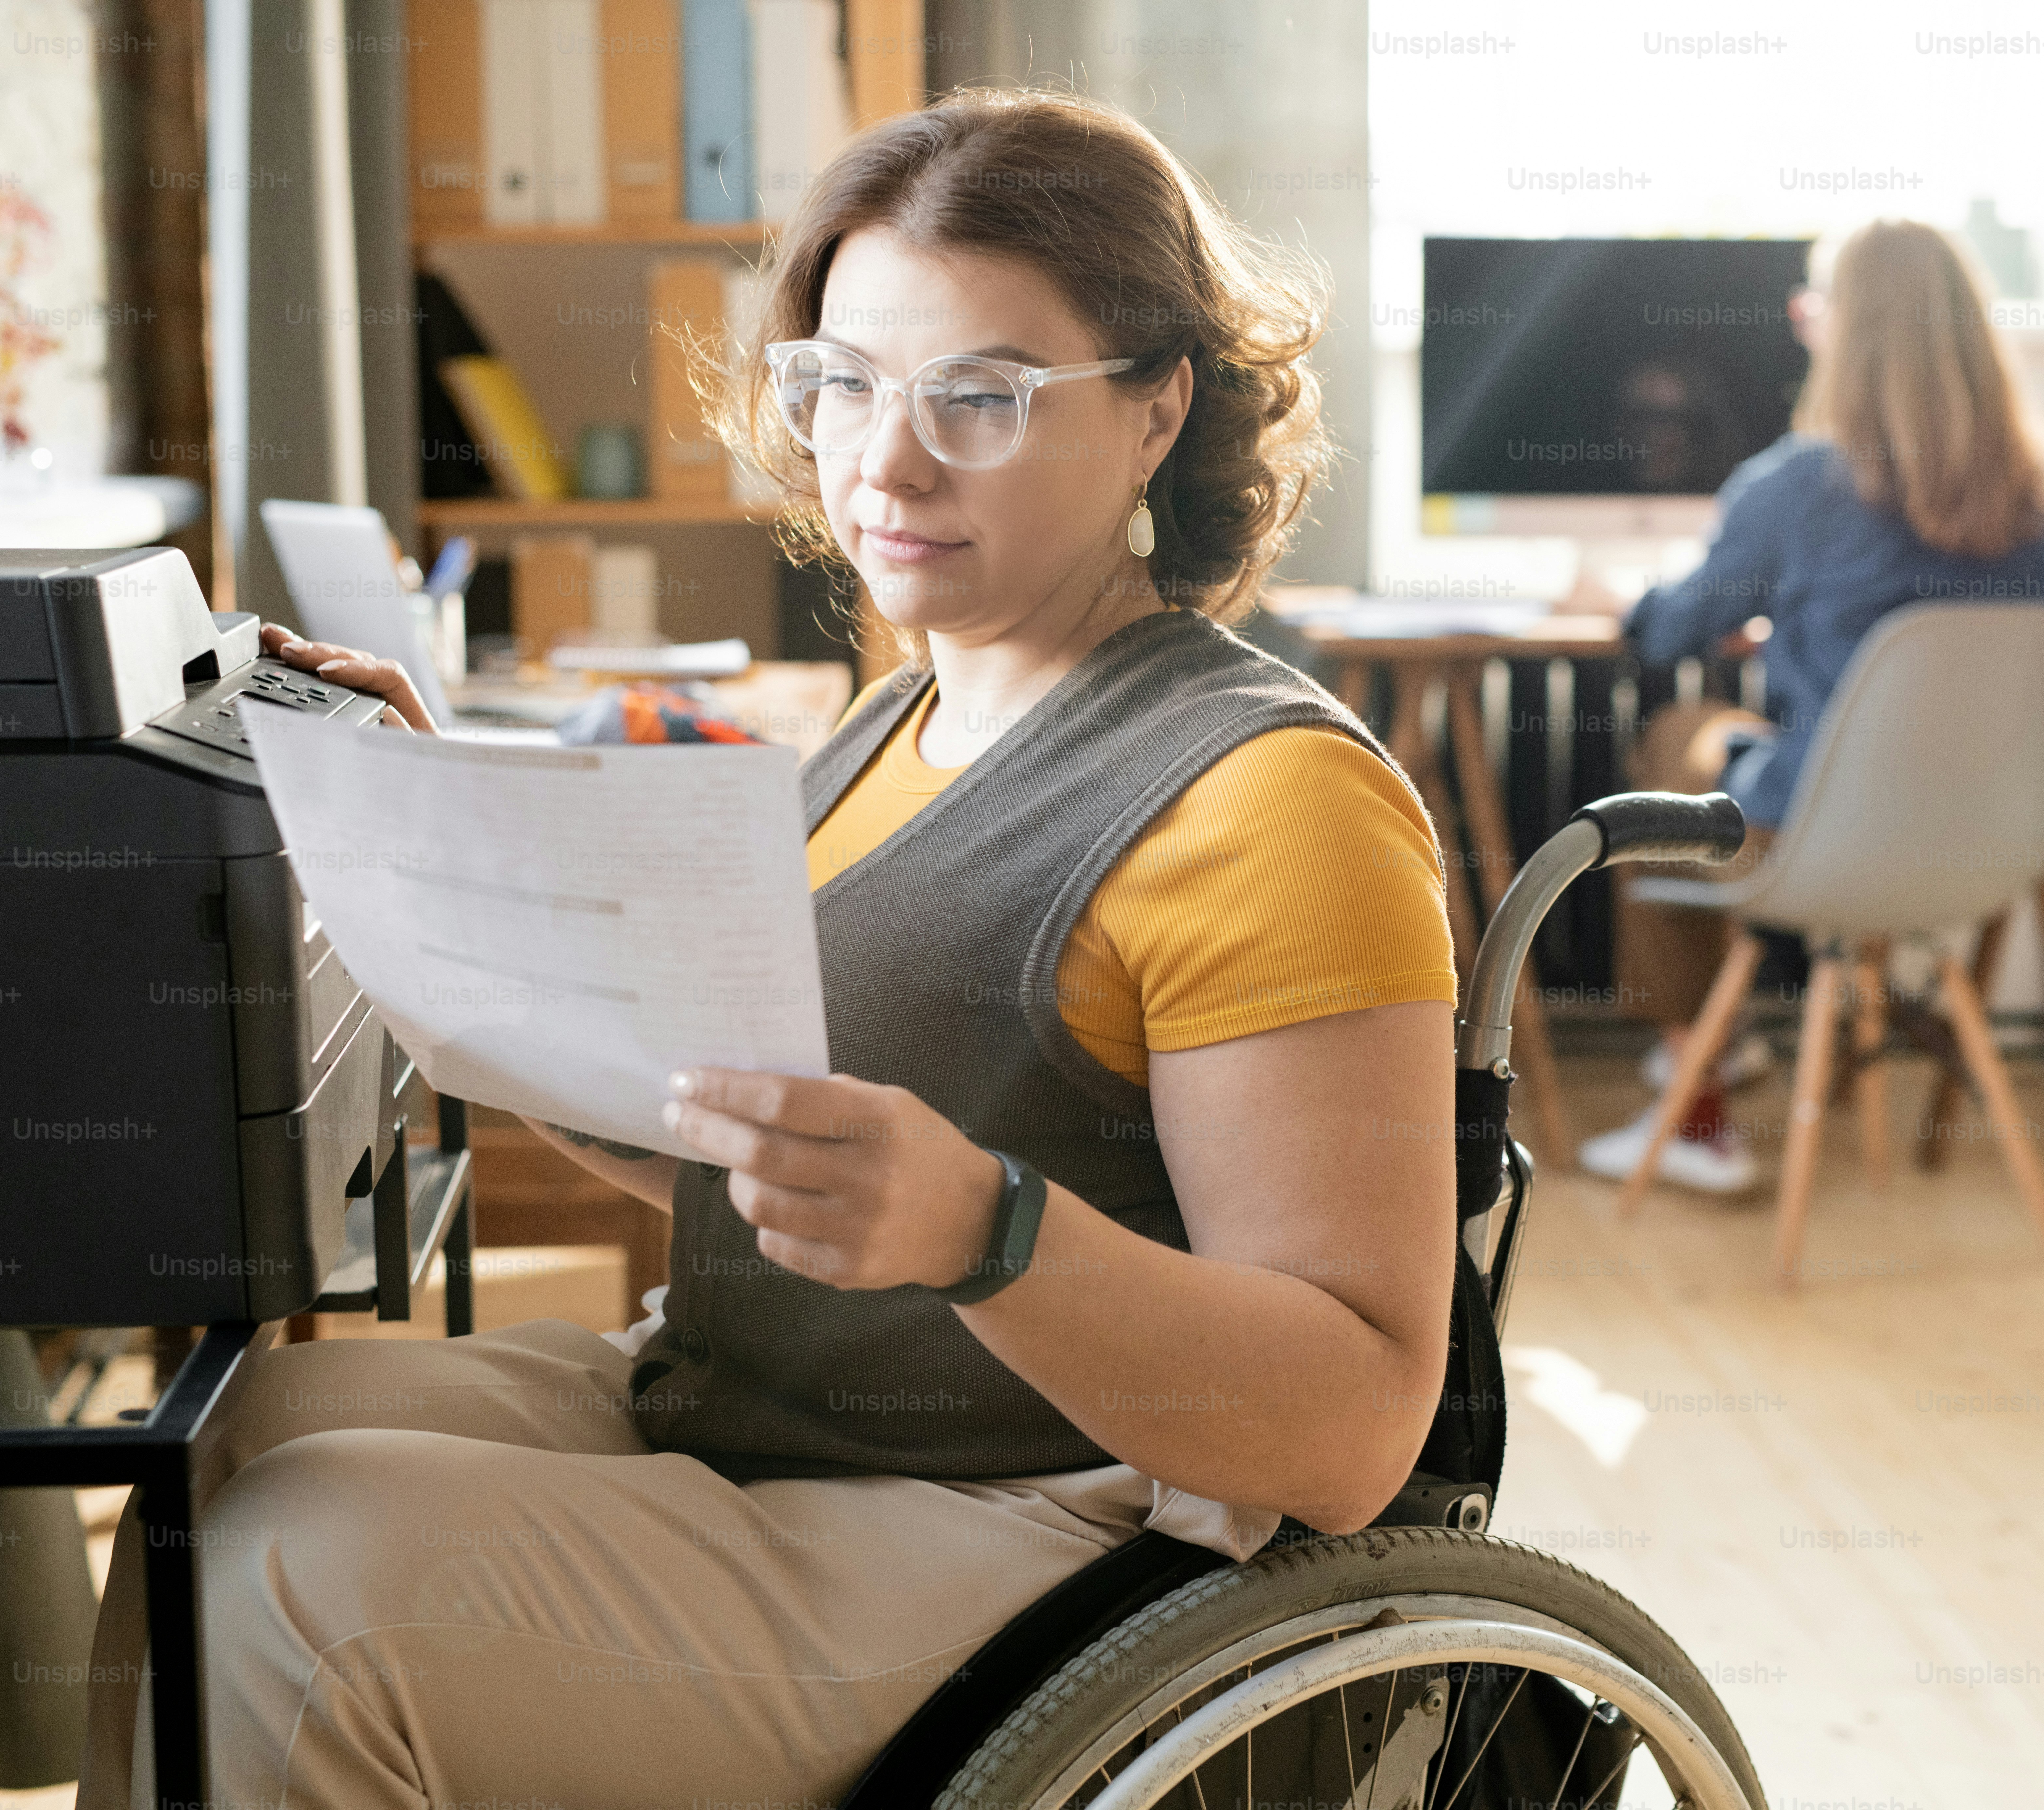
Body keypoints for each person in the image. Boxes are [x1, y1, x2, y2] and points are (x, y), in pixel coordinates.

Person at [82, 90, 1462, 1807]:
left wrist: (985, 1229)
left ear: (1156, 411)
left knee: (296, 1588)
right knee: (224, 1459)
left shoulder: (1277, 804)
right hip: (765, 1411)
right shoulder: (897, 725)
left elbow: (1350, 1425)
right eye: (841, 384)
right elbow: (749, 1133)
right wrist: (443, 862)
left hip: (1039, 1524)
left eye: (980, 397)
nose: (882, 462)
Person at [1562, 219, 2044, 1195]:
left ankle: (1700, 1097)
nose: (1804, 323)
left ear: (1850, 331)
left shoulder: (1800, 484)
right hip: (1987, 843)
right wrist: (1808, 636)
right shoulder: (2041, 503)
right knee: (1745, 742)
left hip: (1823, 835)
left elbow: (1673, 634)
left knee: (1681, 733)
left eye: (1816, 305)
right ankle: (1717, 1062)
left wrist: (1616, 600)